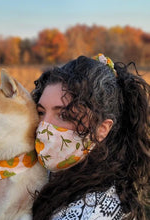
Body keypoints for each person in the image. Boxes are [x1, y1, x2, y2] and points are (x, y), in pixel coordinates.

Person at [31, 54, 150, 220]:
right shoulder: (55, 175)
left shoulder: (96, 212)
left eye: (64, 115)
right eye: (41, 112)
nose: (44, 127)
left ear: (102, 128)